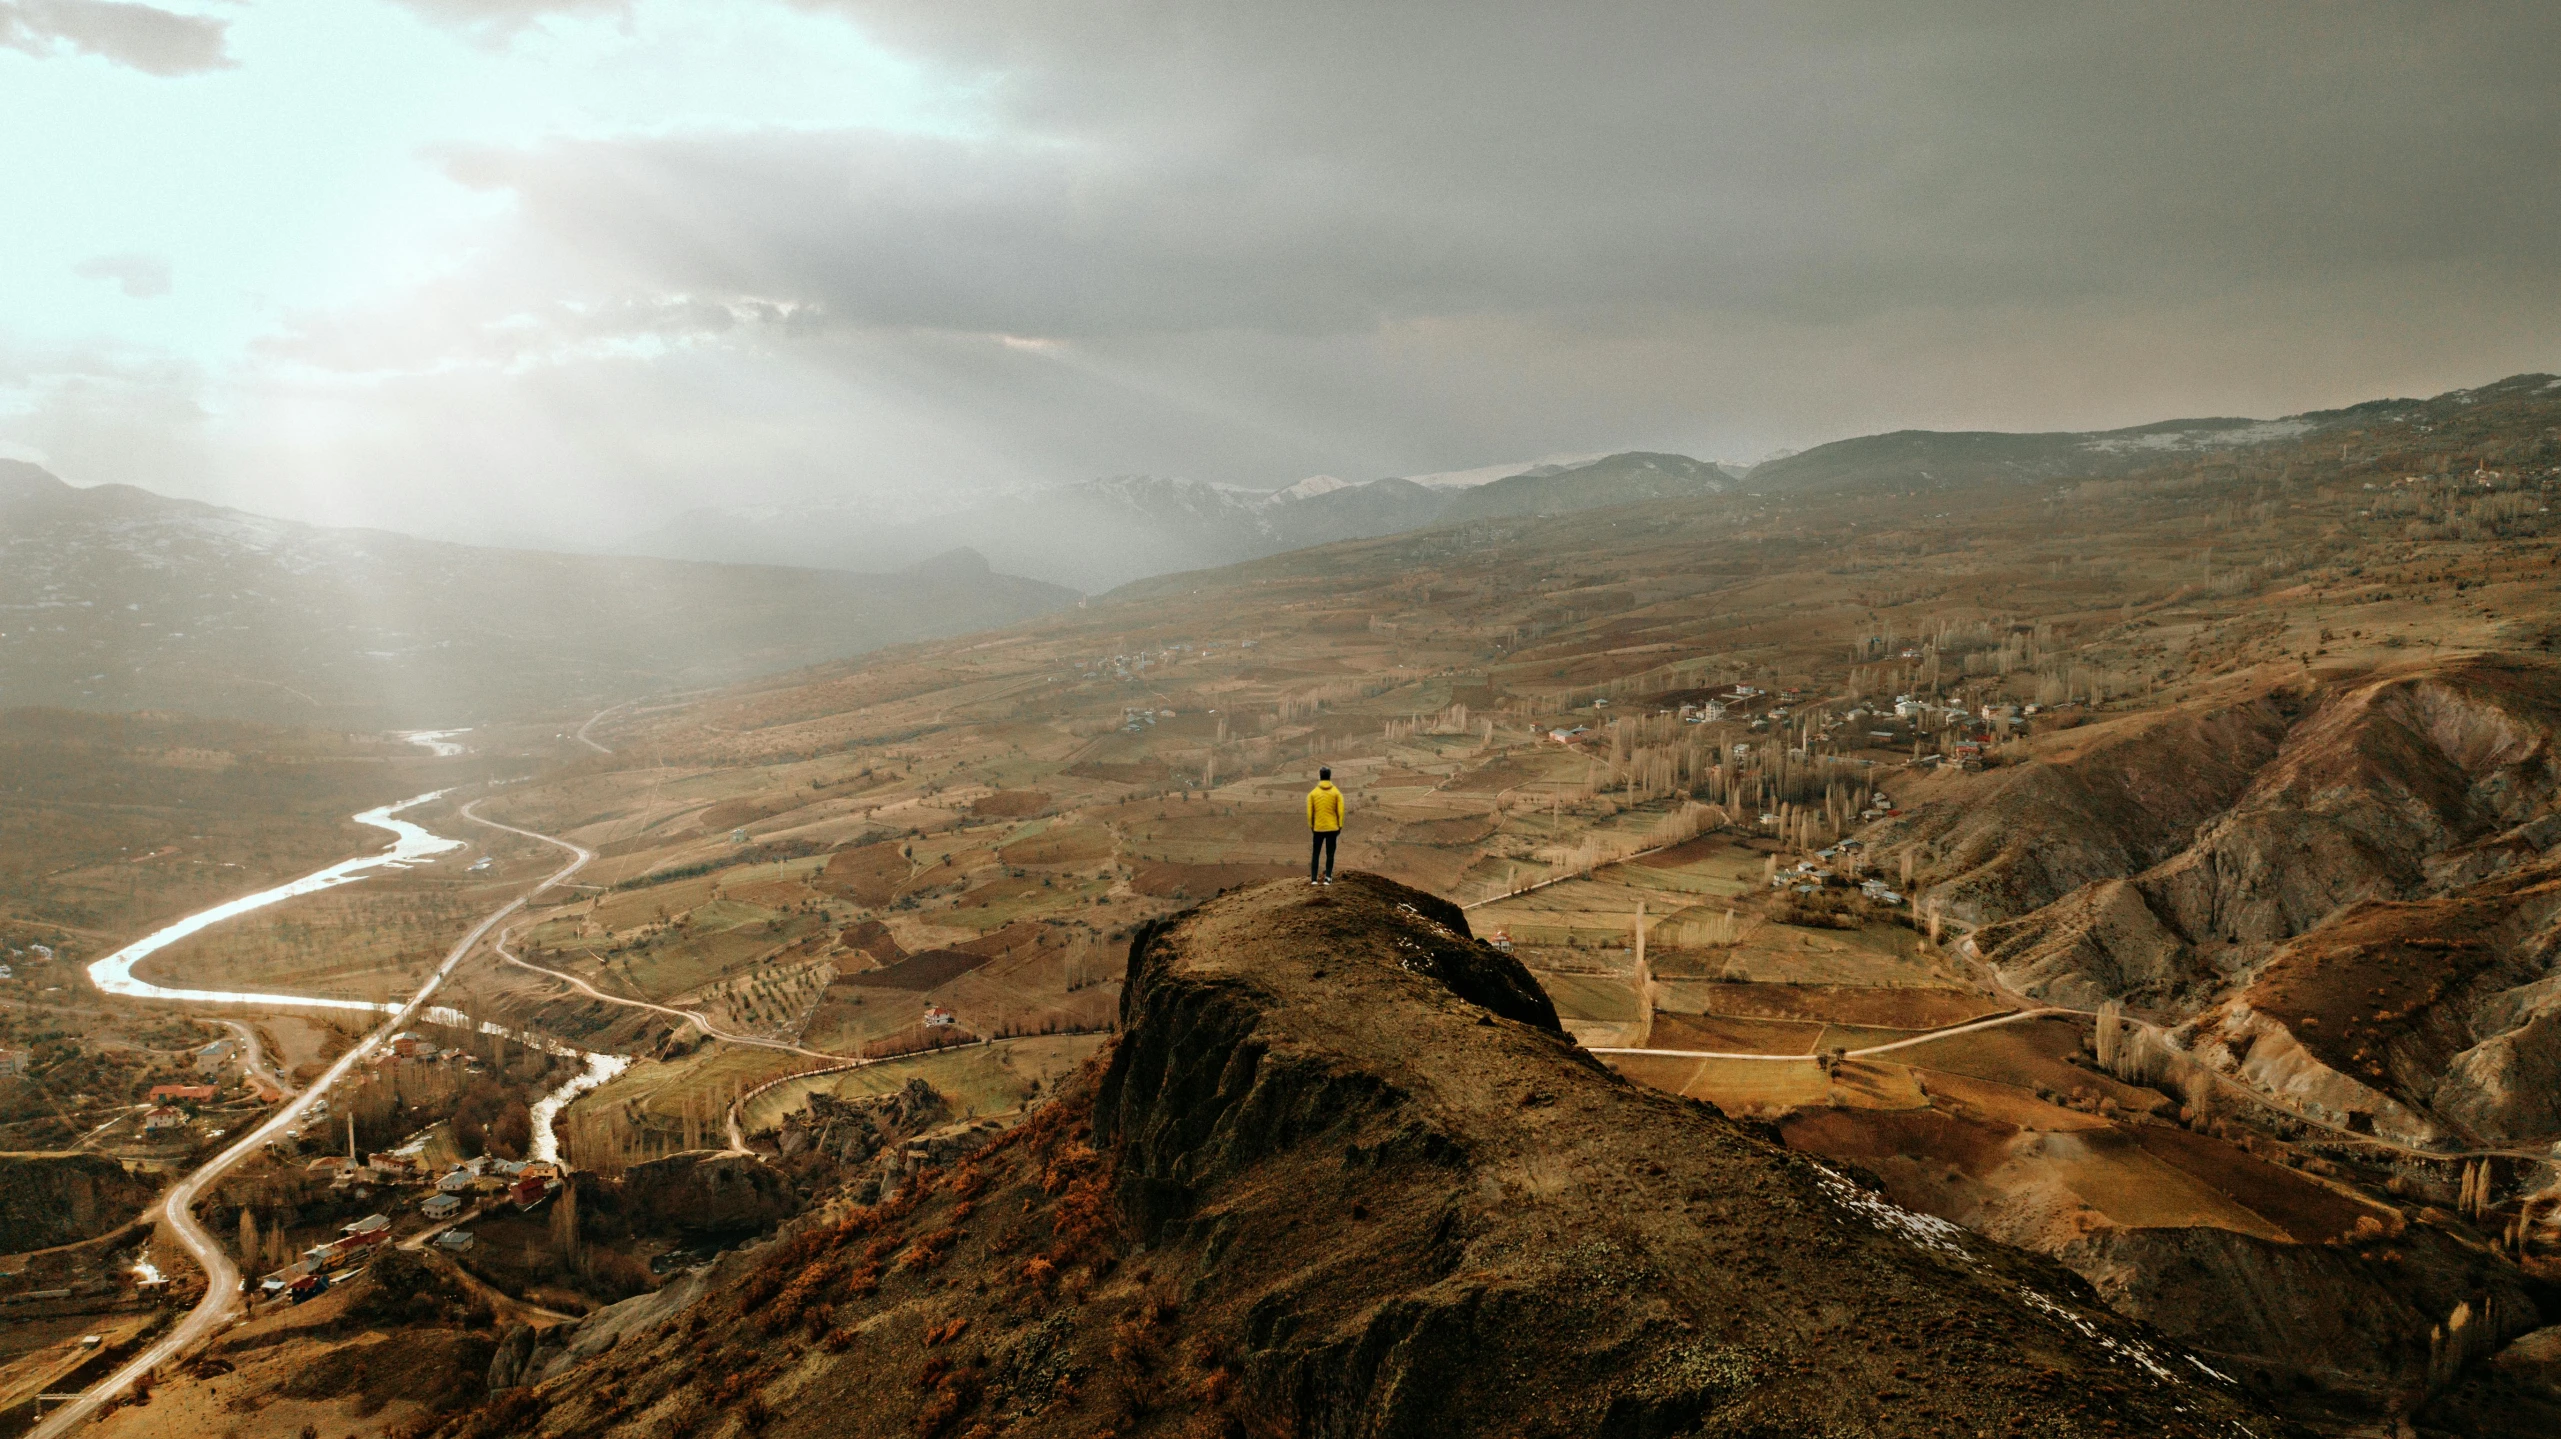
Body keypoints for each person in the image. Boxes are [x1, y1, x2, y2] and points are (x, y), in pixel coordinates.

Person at [1306, 766, 1345, 885]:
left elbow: (1309, 813)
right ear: (1330, 776)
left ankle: (1313, 879)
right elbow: (1341, 811)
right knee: (1330, 854)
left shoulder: (1313, 794)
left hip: (1318, 828)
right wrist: (1340, 826)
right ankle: (1328, 877)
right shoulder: (1336, 793)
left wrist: (1312, 826)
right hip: (1332, 828)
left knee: (1316, 853)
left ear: (1320, 776)